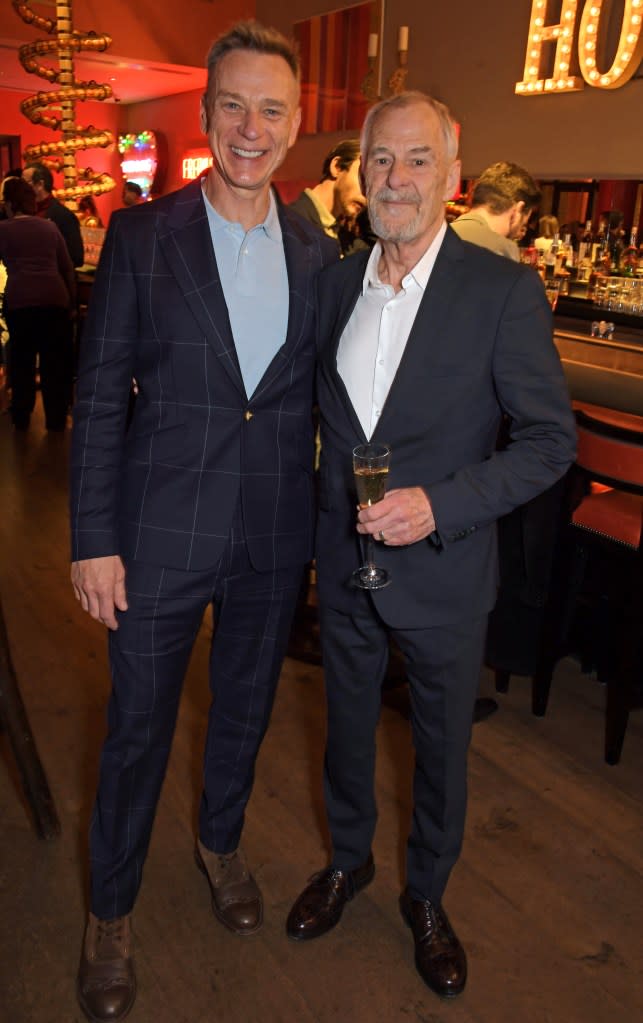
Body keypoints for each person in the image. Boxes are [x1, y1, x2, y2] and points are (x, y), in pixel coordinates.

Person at [70, 20, 337, 1023]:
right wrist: (91, 539)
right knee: (136, 730)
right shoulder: (145, 235)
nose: (250, 126)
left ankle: (219, 843)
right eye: (232, 104)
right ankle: (110, 911)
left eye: (271, 108)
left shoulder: (317, 246)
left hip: (272, 534)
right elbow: (98, 399)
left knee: (244, 708)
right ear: (204, 110)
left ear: (297, 122)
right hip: (155, 532)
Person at [286, 91, 576, 999]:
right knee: (341, 732)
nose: (396, 179)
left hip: (446, 569)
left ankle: (427, 895)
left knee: (441, 751)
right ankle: (346, 861)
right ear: (358, 174)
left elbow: (547, 441)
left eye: (417, 161)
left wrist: (440, 503)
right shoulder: (332, 286)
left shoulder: (501, 291)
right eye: (381, 160)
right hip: (343, 564)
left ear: (452, 177)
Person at [0, 176, 76, 431]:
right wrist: (72, 303)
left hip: (20, 299)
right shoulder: (49, 227)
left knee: (22, 360)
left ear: (9, 203)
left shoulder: (4, 229)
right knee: (54, 361)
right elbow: (67, 268)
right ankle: (55, 418)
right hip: (55, 299)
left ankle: (21, 415)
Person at [451, 160, 541, 261]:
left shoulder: (442, 235)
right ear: (517, 211)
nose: (518, 234)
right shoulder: (504, 250)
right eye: (524, 223)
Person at [289, 139, 366, 255]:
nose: (367, 195)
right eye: (363, 179)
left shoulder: (346, 237)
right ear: (337, 167)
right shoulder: (291, 224)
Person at [22, 162, 84, 267]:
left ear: (40, 185)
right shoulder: (24, 213)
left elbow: (76, 258)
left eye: (24, 183)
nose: (21, 189)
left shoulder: (63, 216)